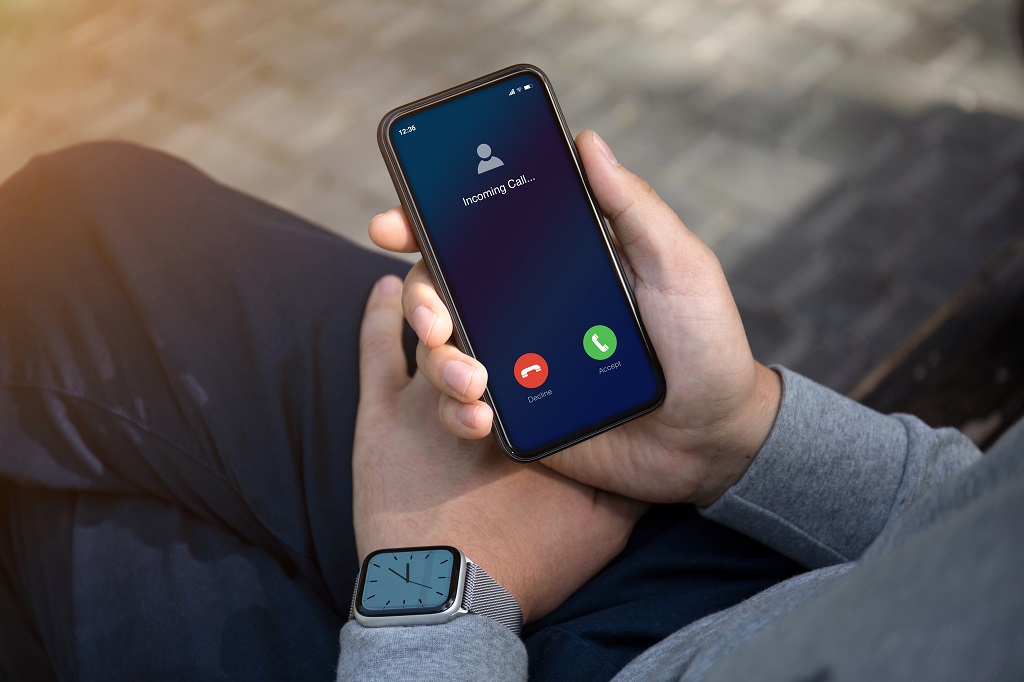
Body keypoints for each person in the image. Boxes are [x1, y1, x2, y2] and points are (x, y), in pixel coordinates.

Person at [0, 134, 1019, 682]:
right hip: (792, 572)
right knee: (82, 218)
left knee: (69, 542)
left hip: (463, 639)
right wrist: (740, 432)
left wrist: (433, 590)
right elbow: (985, 517)